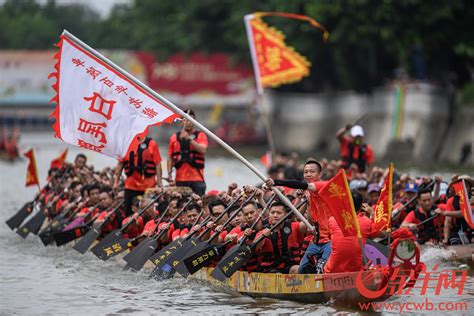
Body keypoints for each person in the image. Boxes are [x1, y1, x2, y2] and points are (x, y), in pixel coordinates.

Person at [265, 158, 331, 274]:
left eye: (312, 171)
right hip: (317, 240)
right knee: (302, 270)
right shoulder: (308, 193)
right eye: (306, 172)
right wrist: (307, 202)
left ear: (320, 174)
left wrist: (276, 182)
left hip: (330, 239)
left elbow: (300, 184)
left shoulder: (323, 185)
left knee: (323, 269)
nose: (308, 174)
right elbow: (310, 221)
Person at [324, 191, 381, 273]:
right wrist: (372, 214)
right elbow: (381, 234)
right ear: (361, 206)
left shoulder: (333, 219)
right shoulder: (367, 222)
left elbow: (330, 238)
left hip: (332, 270)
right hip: (355, 271)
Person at [113, 135, 163, 217]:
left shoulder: (152, 144)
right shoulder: (126, 143)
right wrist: (116, 182)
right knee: (128, 213)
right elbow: (120, 163)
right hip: (130, 186)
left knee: (148, 213)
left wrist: (160, 183)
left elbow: (157, 164)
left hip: (148, 187)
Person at [254, 201, 307, 273]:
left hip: (290, 266)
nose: (275, 215)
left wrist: (309, 204)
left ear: (285, 215)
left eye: (279, 213)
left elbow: (309, 225)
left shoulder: (294, 226)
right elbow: (254, 247)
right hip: (270, 269)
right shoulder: (263, 231)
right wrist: (262, 236)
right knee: (277, 274)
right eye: (272, 213)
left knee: (298, 269)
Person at [168, 109, 208, 196]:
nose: (188, 123)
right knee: (180, 204)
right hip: (180, 179)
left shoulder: (200, 135)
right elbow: (170, 157)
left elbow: (203, 149)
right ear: (181, 122)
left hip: (197, 178)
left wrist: (189, 139)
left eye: (191, 120)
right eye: (185, 120)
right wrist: (169, 174)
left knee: (198, 204)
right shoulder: (174, 138)